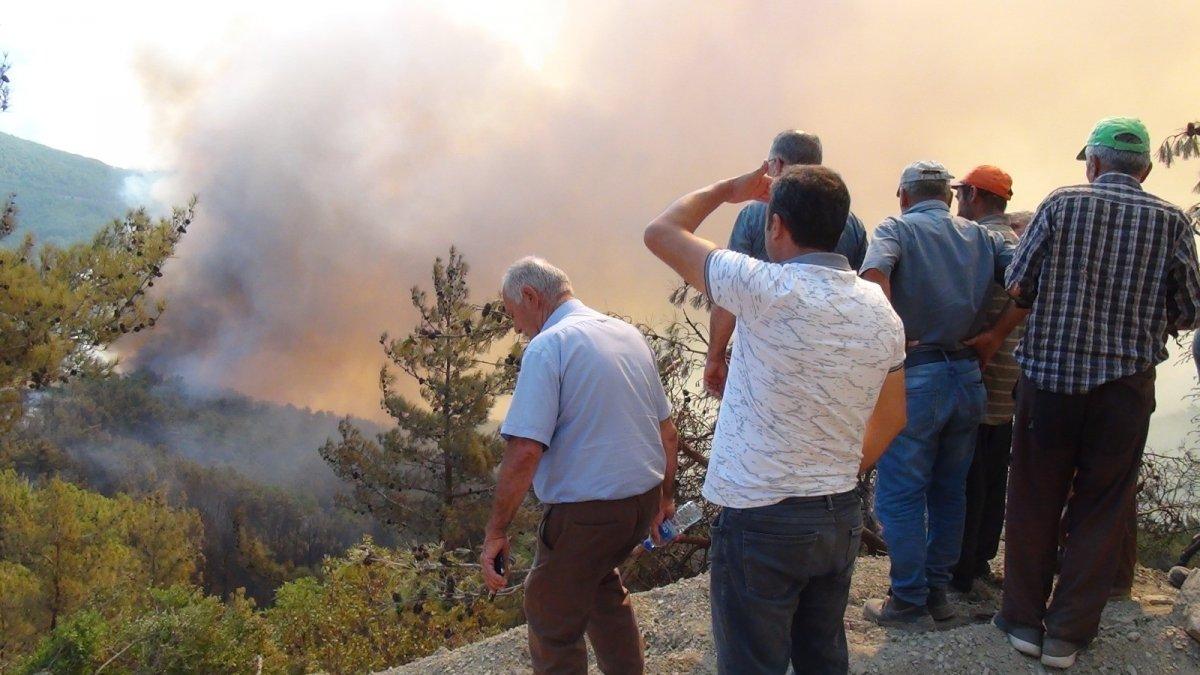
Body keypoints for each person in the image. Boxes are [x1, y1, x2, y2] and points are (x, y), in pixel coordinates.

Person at [644, 162, 908, 674]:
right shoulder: (880, 310)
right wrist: (839, 471)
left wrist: (728, 190)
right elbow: (895, 414)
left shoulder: (762, 286)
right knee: (822, 659)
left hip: (762, 519)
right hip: (838, 516)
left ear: (777, 225)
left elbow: (661, 232)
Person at [972, 117, 1200, 669]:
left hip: (1050, 383)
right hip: (1124, 390)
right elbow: (1190, 309)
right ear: (1145, 170)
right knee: (1102, 505)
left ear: (1093, 164)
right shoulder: (1171, 220)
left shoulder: (1061, 203)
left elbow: (1019, 282)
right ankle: (1068, 634)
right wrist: (1143, 319)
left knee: (1034, 497)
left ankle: (1021, 620)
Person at [480, 257, 679, 675]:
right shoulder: (627, 334)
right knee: (599, 584)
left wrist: (496, 531)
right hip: (640, 502)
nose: (516, 327)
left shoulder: (548, 346)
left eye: (513, 314)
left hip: (588, 515)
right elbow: (668, 433)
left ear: (531, 297)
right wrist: (665, 499)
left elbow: (525, 451)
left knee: (550, 611)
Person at [859, 160, 1014, 630]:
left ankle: (908, 601)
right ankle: (937, 597)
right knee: (950, 492)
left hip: (918, 375)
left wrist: (892, 335)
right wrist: (995, 334)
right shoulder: (982, 237)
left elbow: (873, 274)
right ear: (947, 197)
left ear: (904, 195)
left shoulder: (896, 229)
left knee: (901, 494)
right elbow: (1028, 282)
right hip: (967, 376)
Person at [704, 130, 870, 398]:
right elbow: (865, 292)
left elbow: (728, 294)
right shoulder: (849, 223)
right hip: (831, 369)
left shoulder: (755, 214)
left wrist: (715, 357)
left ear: (777, 164)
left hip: (765, 367)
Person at [948, 166, 1023, 594]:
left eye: (961, 194)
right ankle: (978, 562)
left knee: (967, 474)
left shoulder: (980, 241)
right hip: (1010, 377)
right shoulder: (1017, 240)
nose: (957, 201)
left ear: (974, 195)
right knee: (993, 473)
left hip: (981, 370)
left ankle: (960, 567)